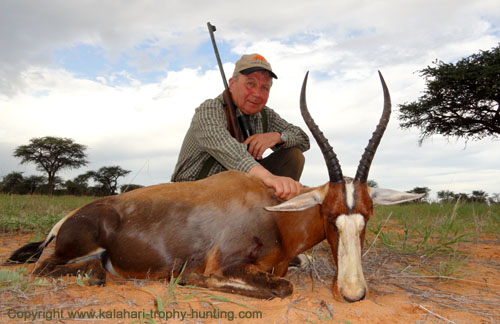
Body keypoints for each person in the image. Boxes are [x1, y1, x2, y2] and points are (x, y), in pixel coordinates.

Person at [171, 53, 310, 201]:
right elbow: (229, 150)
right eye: (250, 84)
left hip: (236, 192)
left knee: (293, 155)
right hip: (193, 195)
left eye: (265, 88)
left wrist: (277, 137)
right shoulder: (209, 109)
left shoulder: (265, 115)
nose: (257, 94)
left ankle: (274, 211)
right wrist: (269, 178)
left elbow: (303, 140)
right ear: (232, 84)